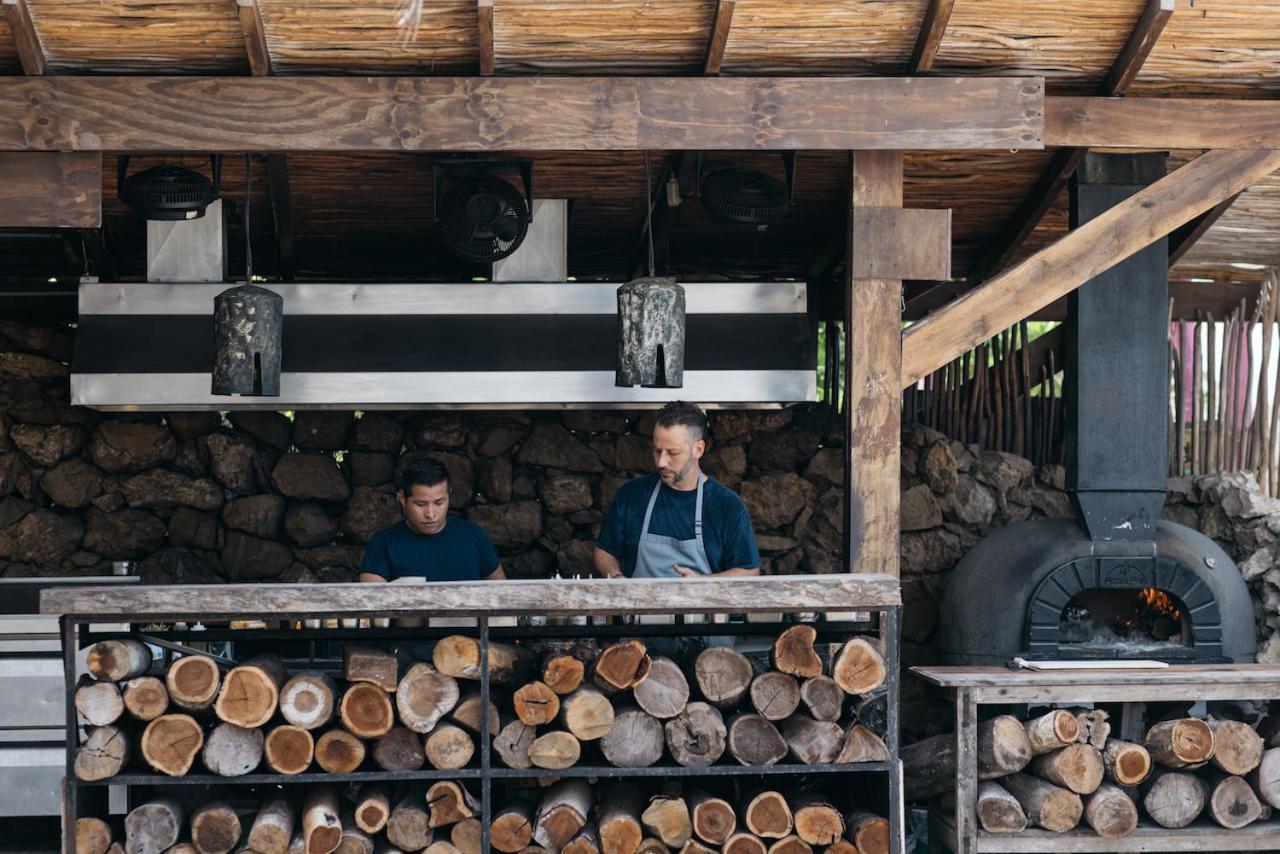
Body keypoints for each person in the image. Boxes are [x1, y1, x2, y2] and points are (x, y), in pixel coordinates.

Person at [594, 400, 760, 579]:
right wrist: (617, 577)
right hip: (640, 605)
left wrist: (703, 583)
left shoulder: (727, 506)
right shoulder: (631, 495)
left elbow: (749, 571)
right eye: (657, 451)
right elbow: (605, 551)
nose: (661, 462)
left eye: (672, 453)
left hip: (701, 605)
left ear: (698, 449)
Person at [359, 457, 506, 582]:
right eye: (420, 504)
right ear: (402, 498)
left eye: (439, 502)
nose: (430, 514)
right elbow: (371, 602)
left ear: (449, 494)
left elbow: (503, 594)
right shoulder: (383, 543)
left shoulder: (474, 535)